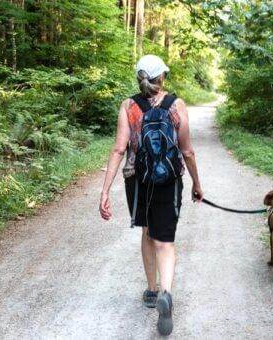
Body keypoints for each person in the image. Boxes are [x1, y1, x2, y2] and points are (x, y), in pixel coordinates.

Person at [99, 54, 203, 336]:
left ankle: (151, 289)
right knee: (165, 240)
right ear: (162, 77)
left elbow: (119, 149)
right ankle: (166, 293)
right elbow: (187, 151)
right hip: (168, 180)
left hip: (139, 180)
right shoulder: (176, 104)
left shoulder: (129, 105)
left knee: (147, 232)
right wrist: (196, 183)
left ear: (139, 78)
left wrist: (105, 190)